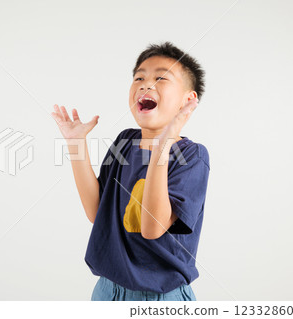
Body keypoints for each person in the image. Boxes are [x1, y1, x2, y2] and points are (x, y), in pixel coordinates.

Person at [51, 41, 209, 301]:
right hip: (106, 291)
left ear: (187, 101)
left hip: (160, 298)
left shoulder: (193, 156)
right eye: (139, 77)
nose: (146, 84)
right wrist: (76, 143)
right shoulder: (125, 141)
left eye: (161, 78)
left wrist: (161, 149)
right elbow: (96, 211)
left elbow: (152, 228)